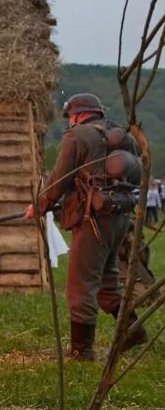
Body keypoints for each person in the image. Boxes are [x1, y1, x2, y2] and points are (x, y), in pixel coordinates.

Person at [25, 93, 149, 360]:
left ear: (78, 115)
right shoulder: (113, 132)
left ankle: (81, 351)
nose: (70, 121)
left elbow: (60, 178)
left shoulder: (77, 136)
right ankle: (133, 330)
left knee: (79, 286)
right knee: (107, 283)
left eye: (71, 116)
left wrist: (39, 205)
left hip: (93, 220)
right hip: (117, 218)